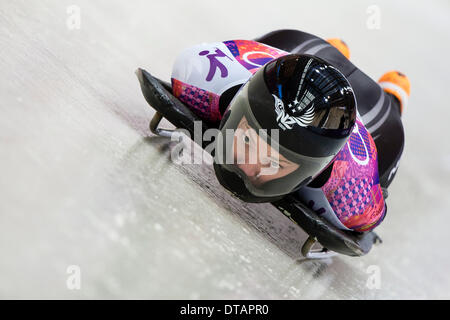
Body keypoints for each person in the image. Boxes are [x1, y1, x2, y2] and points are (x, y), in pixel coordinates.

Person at [170, 29, 410, 232]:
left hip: (372, 119)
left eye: (274, 162)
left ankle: (392, 96)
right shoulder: (197, 73)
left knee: (388, 133)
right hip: (287, 51)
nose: (247, 166)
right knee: (283, 42)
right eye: (246, 140)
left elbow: (371, 216)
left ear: (316, 169)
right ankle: (335, 51)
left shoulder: (353, 193)